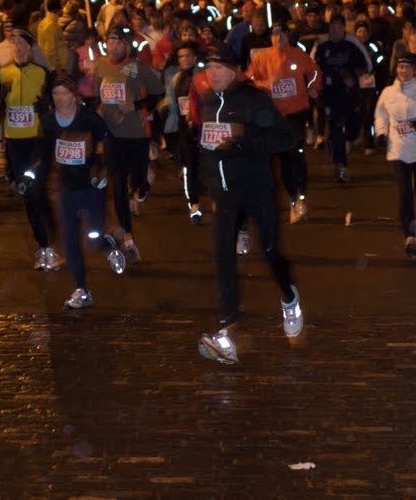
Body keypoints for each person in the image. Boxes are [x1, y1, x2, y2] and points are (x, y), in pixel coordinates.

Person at [196, 47, 303, 365]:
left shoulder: (254, 100)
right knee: (223, 258)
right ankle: (226, 330)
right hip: (224, 196)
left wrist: (245, 144)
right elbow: (205, 147)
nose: (211, 73)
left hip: (257, 190)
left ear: (234, 71)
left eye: (218, 67)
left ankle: (289, 297)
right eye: (208, 67)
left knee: (269, 252)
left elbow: (287, 138)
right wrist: (205, 182)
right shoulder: (208, 102)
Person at [41, 72, 126, 308]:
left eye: (64, 93)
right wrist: (36, 178)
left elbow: (107, 143)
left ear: (75, 97)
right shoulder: (48, 122)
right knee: (69, 241)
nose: (59, 98)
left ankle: (108, 245)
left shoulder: (88, 119)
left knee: (92, 240)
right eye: (55, 93)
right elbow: (45, 154)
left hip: (90, 188)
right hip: (65, 189)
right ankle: (82, 289)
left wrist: (101, 169)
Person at [94, 27, 162, 261]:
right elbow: (95, 95)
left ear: (127, 46)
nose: (112, 46)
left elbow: (158, 93)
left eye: (117, 42)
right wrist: (97, 109)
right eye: (109, 41)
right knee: (118, 186)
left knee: (138, 180)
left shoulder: (137, 67)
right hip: (113, 135)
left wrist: (138, 104)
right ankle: (128, 236)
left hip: (137, 134)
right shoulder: (100, 66)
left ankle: (143, 184)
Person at [0, 27, 57, 269]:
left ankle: (45, 245)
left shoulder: (42, 73)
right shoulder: (4, 73)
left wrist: (45, 108)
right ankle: (45, 240)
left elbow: (54, 105)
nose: (17, 48)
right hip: (14, 143)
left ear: (30, 48)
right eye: (14, 44)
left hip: (37, 142)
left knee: (35, 190)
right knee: (29, 196)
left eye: (22, 44)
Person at [246, 22, 320, 222]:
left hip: (296, 113)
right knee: (283, 158)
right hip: (273, 116)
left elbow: (314, 73)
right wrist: (264, 84)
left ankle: (300, 196)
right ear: (271, 38)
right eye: (275, 35)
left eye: (282, 34)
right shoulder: (262, 58)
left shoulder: (298, 55)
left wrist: (313, 88)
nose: (278, 38)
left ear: (288, 36)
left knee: (295, 152)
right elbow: (248, 80)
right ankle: (293, 198)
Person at [374, 47, 416, 256]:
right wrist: (381, 132)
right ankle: (410, 236)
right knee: (404, 193)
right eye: (400, 67)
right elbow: (381, 114)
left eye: (407, 67)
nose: (403, 71)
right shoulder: (388, 93)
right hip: (398, 150)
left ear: (414, 70)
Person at [312, 13, 369, 182]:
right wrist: (317, 86)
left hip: (350, 93)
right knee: (335, 128)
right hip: (330, 93)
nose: (336, 30)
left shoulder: (352, 44)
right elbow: (312, 68)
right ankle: (341, 165)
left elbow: (366, 65)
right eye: (333, 27)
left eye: (339, 27)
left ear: (344, 28)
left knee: (353, 127)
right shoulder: (321, 45)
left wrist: (353, 76)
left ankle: (348, 139)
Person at [161, 42, 205, 223]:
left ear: (195, 58)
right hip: (182, 127)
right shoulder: (174, 76)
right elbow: (170, 102)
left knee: (206, 165)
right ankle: (193, 204)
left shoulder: (204, 76)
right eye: (181, 56)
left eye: (188, 55)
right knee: (189, 166)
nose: (184, 59)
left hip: (203, 127)